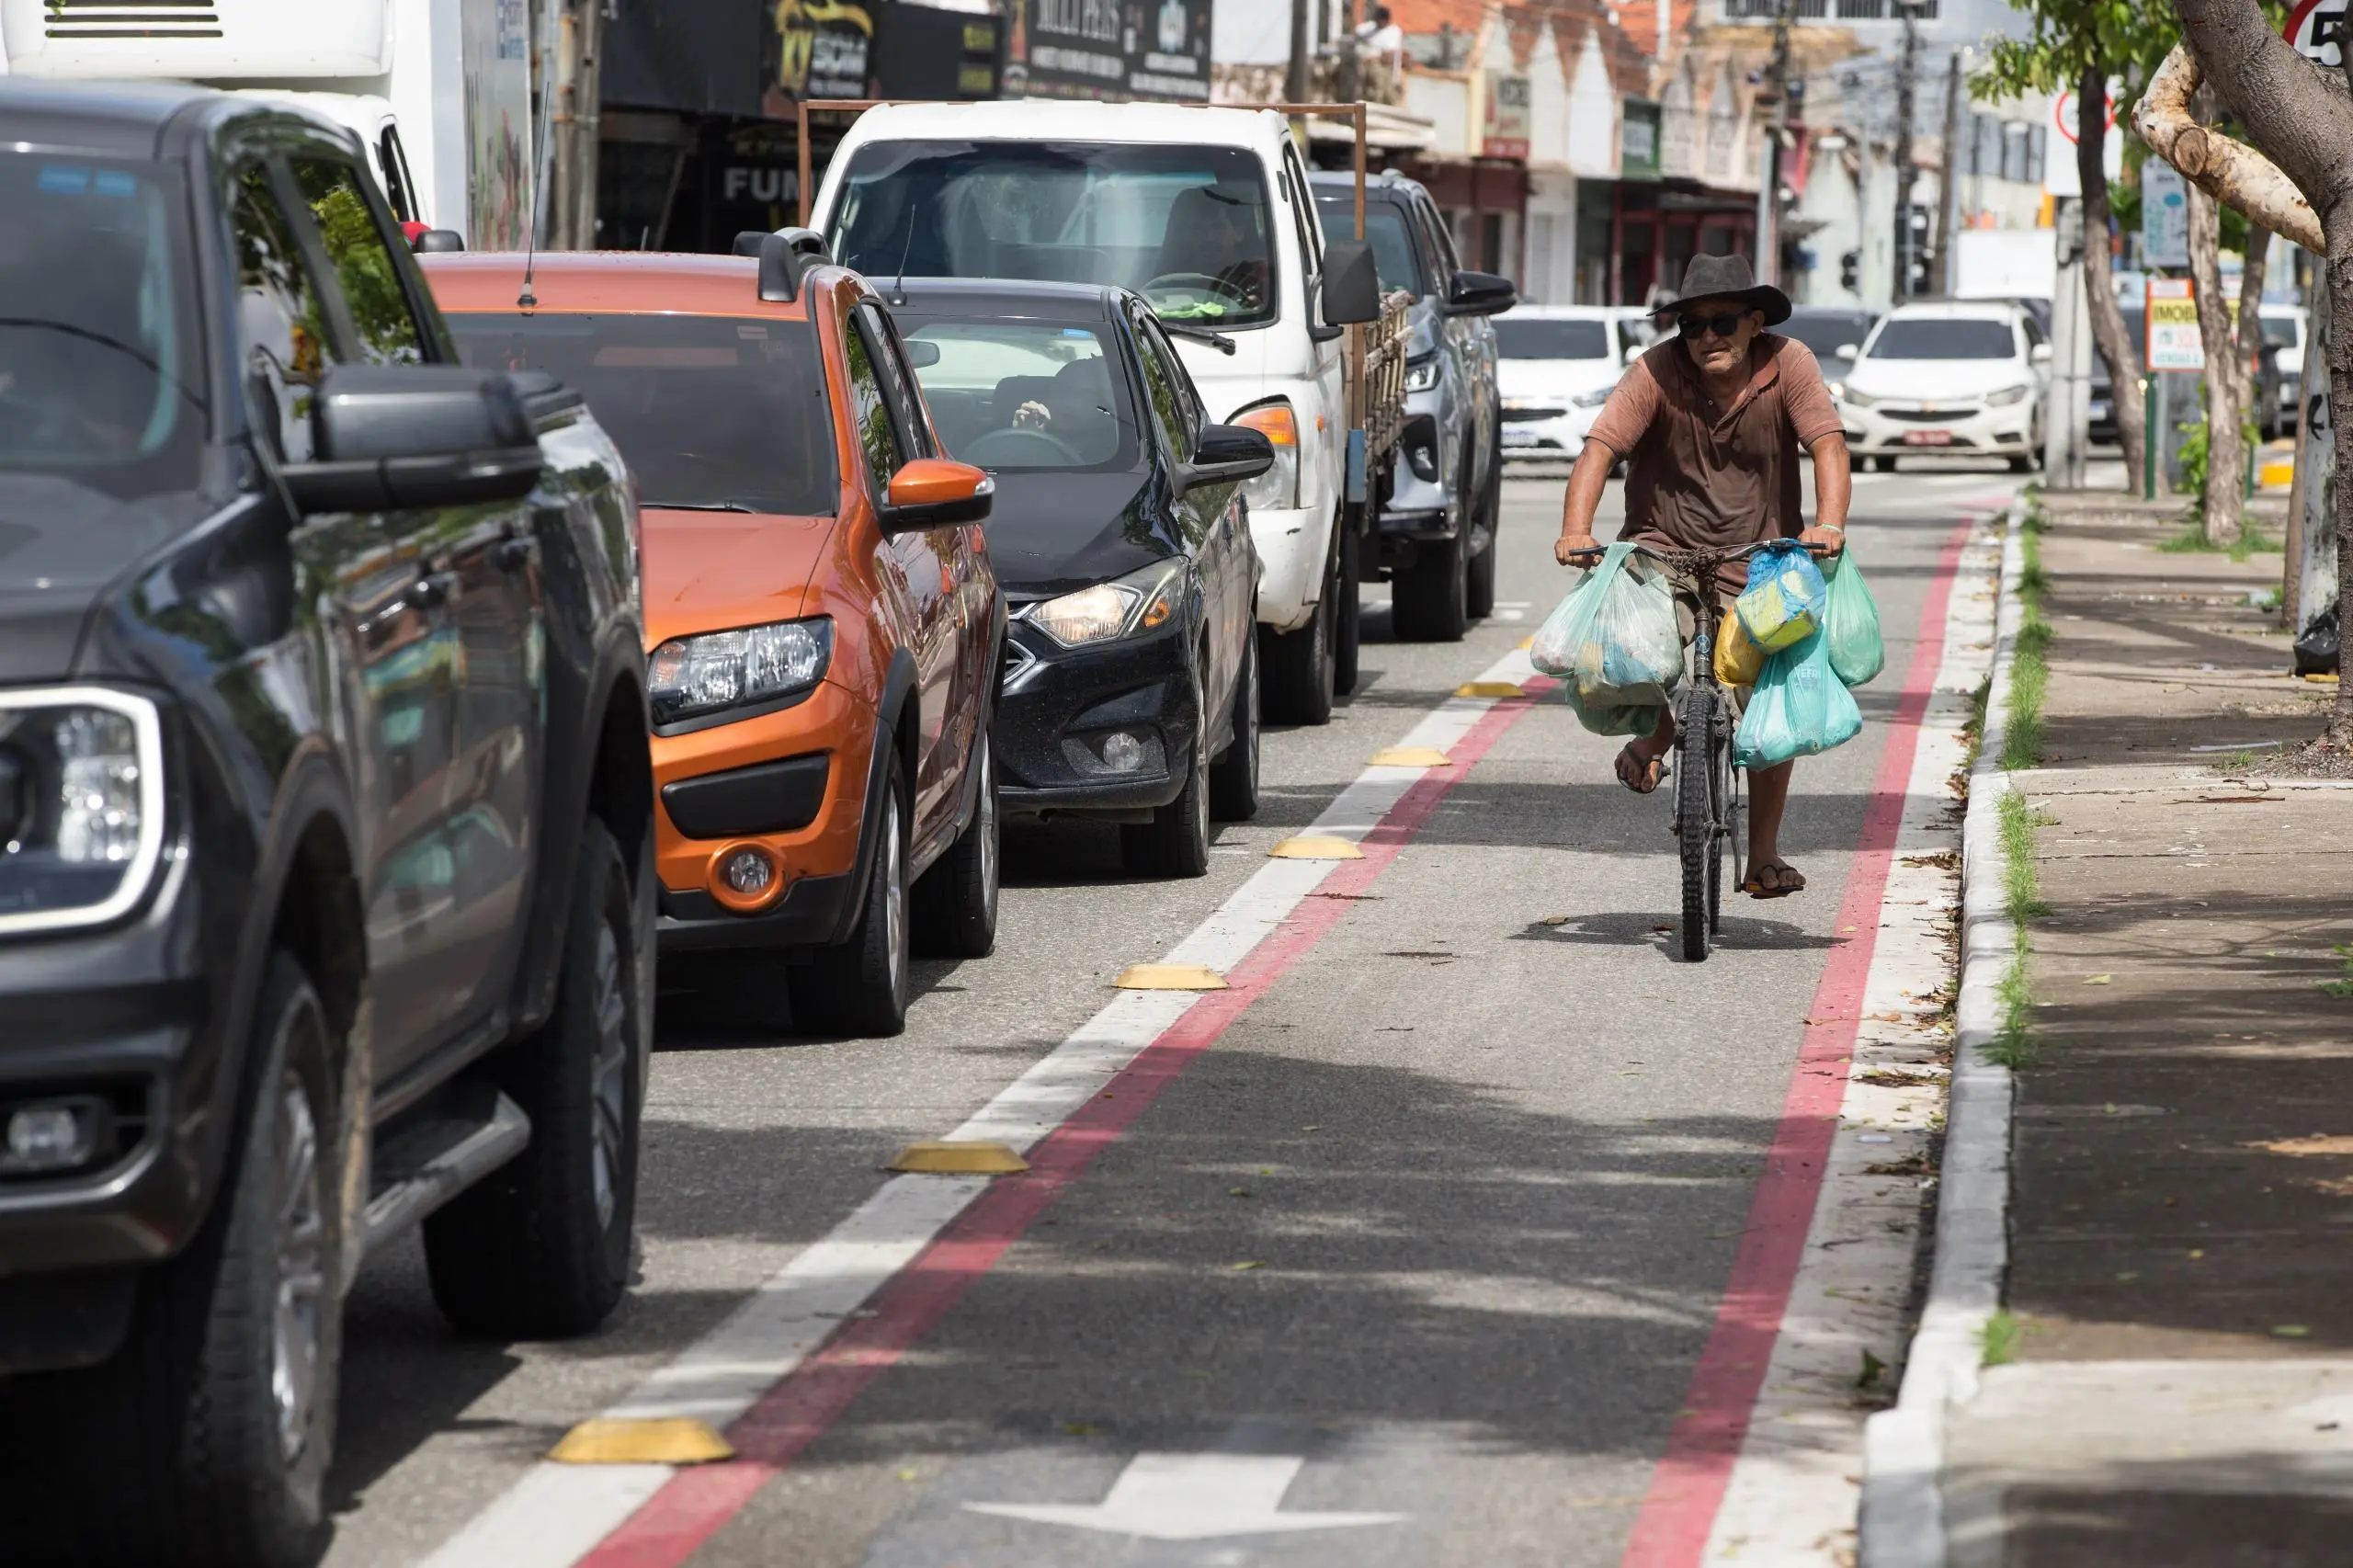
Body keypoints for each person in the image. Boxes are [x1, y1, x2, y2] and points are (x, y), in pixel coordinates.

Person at [1552, 253, 1851, 900]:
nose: (1706, 338)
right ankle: (1660, 730)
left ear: (1753, 322)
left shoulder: (1789, 363)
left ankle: (1763, 854)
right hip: (1662, 551)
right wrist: (1577, 530)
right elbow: (1599, 450)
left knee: (1769, 705)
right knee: (1632, 656)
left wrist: (1827, 525)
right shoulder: (1656, 371)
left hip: (1761, 558)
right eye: (1692, 325)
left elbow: (1827, 443)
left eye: (1721, 323)